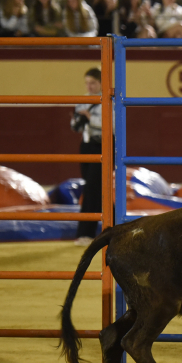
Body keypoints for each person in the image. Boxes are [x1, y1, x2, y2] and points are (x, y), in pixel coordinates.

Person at [71, 67, 103, 245]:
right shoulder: (82, 100)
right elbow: (73, 126)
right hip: (86, 145)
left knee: (92, 188)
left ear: (100, 83)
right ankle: (113, 226)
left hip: (102, 145)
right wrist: (78, 120)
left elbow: (113, 124)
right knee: (95, 188)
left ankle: (86, 233)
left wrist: (90, 118)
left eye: (93, 83)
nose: (89, 87)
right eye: (87, 83)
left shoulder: (109, 99)